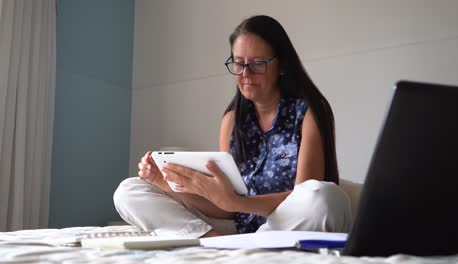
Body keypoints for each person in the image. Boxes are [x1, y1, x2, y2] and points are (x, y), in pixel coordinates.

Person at [113, 15, 352, 238]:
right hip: (236, 227)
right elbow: (224, 208)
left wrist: (237, 203)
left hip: (285, 222)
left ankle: (251, 247)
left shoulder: (310, 110)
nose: (245, 74)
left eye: (257, 64)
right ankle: (213, 242)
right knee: (129, 190)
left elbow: (303, 194)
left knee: (324, 196)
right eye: (239, 63)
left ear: (281, 65)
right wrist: (166, 184)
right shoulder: (232, 119)